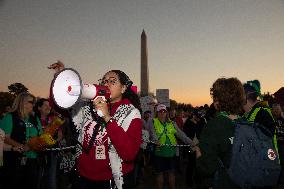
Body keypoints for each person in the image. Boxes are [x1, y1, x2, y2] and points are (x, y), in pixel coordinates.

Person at [48, 61, 142, 189]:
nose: (106, 84)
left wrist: (107, 118)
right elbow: (58, 105)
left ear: (123, 88)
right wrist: (60, 78)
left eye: (112, 81)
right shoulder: (87, 107)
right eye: (103, 81)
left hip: (112, 180)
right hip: (83, 177)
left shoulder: (131, 114)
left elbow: (129, 153)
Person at [196, 77, 246, 189]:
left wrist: (198, 155)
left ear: (218, 100)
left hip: (225, 182)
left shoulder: (213, 126)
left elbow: (206, 168)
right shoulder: (247, 123)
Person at [149, 103, 199, 189]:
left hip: (171, 153)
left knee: (171, 173)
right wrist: (155, 140)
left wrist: (191, 143)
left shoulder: (172, 123)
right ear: (157, 113)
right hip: (159, 153)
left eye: (164, 111)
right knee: (159, 174)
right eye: (160, 111)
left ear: (166, 113)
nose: (162, 113)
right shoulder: (153, 122)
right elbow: (152, 134)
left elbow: (181, 135)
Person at [0, 92, 43, 189]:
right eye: (31, 102)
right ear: (22, 103)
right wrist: (21, 146)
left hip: (33, 160)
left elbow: (40, 135)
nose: (34, 104)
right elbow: (5, 138)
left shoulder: (35, 118)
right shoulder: (9, 117)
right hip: (14, 162)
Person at [271, 103, 284, 185]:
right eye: (275, 110)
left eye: (278, 110)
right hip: (273, 144)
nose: (276, 111)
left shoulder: (282, 119)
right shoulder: (270, 120)